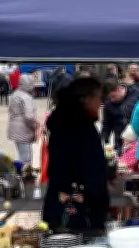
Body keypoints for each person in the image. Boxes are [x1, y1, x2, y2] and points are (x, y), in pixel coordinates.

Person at [43, 77, 110, 232]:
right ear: (86, 99)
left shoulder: (63, 123)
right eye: (99, 97)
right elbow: (91, 171)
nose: (101, 103)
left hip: (59, 202)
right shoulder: (81, 128)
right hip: (80, 209)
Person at [102, 81, 139, 156]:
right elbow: (106, 125)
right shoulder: (109, 104)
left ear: (119, 89)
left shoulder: (138, 94)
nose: (111, 100)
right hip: (120, 144)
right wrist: (105, 141)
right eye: (109, 98)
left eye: (113, 96)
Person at [7, 75, 39, 168]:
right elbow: (29, 117)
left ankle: (18, 173)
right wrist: (36, 125)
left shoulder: (15, 94)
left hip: (14, 128)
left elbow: (10, 109)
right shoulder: (26, 97)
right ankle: (24, 177)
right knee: (26, 158)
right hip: (24, 129)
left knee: (21, 154)